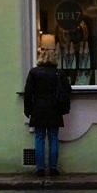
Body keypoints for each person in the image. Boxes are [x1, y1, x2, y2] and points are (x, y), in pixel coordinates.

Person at [23, 40, 71, 176]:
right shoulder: (58, 73)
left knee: (39, 137)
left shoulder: (34, 72)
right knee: (53, 137)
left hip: (38, 108)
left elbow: (28, 93)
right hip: (54, 108)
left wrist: (28, 110)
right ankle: (54, 167)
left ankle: (40, 168)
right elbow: (67, 90)